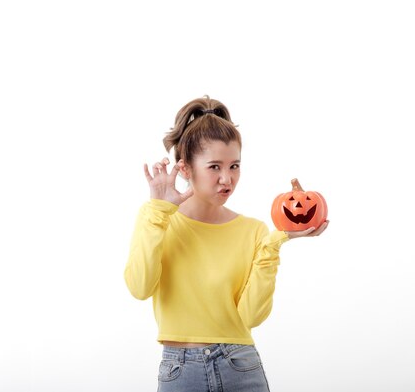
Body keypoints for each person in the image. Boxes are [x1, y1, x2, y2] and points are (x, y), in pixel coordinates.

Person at [124, 95, 329, 392]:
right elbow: (139, 287)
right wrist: (157, 212)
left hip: (240, 365)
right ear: (185, 169)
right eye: (214, 167)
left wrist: (274, 245)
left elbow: (250, 317)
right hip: (180, 371)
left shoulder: (253, 231)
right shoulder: (158, 220)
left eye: (234, 166)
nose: (227, 179)